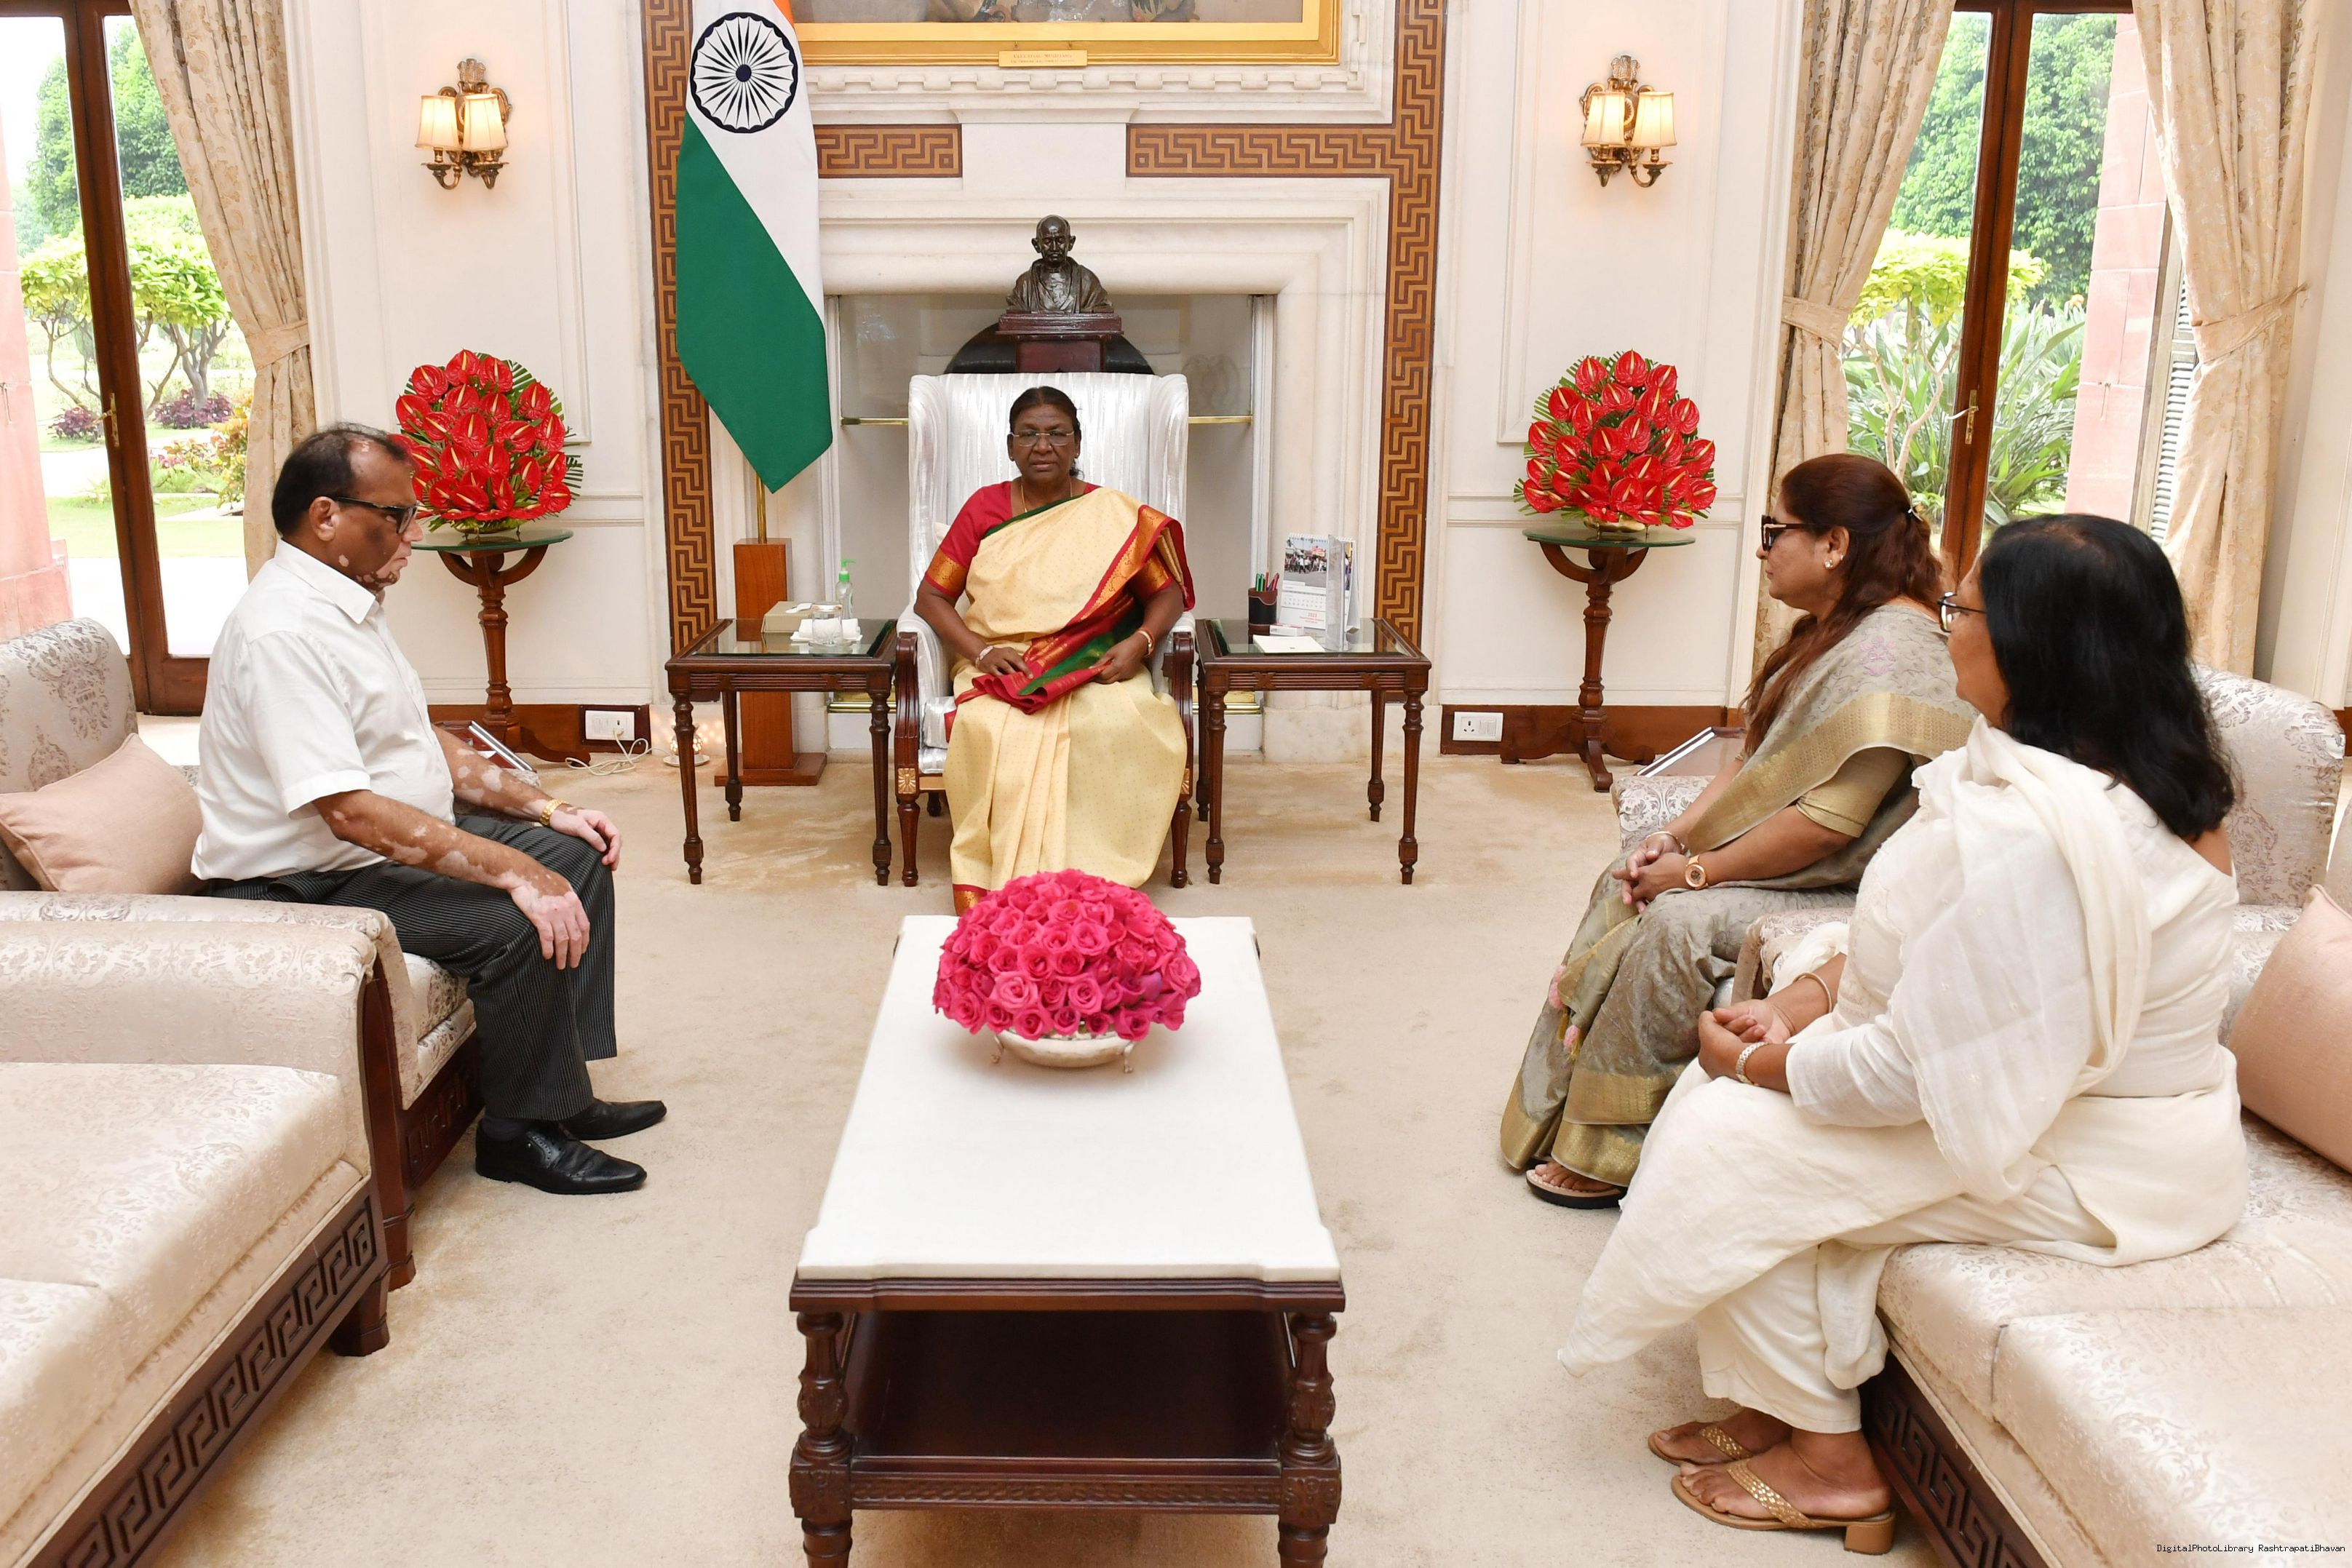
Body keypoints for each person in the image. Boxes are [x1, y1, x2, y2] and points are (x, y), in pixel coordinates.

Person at [1560, 515, 2243, 1550]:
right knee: (1724, 1109)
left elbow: (1912, 1074)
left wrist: (1756, 1058)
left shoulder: (2050, 836)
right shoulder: (2041, 769)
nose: (1943, 625)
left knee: (1728, 1140)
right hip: (2024, 1101)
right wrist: (1804, 999)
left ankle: (1830, 1464)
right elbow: (1931, 941)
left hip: (2090, 1156)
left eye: (1962, 608)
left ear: (2032, 647)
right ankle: (1776, 1401)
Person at [195, 424, 664, 1197]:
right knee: (519, 915)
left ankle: (560, 1091)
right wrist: (514, 870)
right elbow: (349, 813)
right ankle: (517, 1136)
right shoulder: (280, 631)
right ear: (325, 516)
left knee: (576, 856)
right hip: (305, 885)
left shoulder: (348, 603)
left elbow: (418, 740)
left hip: (359, 858)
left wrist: (545, 808)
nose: (413, 532)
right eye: (397, 515)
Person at [1501, 454, 1971, 1207]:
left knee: (1677, 921)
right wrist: (1676, 839)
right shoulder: (1834, 631)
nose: (1762, 549)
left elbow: (1828, 825)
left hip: (1854, 883)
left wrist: (1695, 875)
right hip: (1813, 862)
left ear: (1834, 544)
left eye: (1775, 531)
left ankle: (1611, 1147)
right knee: (1626, 875)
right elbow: (1756, 762)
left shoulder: (1891, 654)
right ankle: (1562, 1111)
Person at [915, 386, 1193, 913]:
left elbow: (1168, 594)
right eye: (1029, 434)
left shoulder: (1112, 514)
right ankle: (1008, 880)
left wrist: (1140, 644)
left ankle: (1094, 876)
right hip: (1002, 660)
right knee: (992, 725)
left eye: (1057, 433)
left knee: (1119, 719)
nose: (1043, 446)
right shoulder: (983, 508)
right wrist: (980, 652)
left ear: (1077, 442)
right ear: (1010, 446)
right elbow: (931, 598)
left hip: (1096, 657)